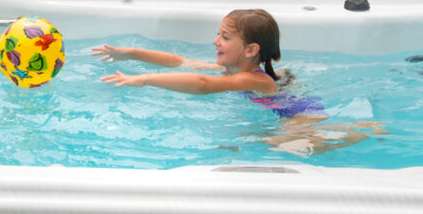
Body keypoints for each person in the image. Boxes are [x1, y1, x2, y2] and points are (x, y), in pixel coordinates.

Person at [92, 9, 381, 156]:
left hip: (302, 118)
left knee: (269, 146)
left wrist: (144, 80)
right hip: (285, 109)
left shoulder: (252, 80)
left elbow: (203, 84)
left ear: (251, 50)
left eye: (225, 38)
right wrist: (129, 54)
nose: (215, 41)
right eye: (218, 34)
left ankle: (358, 132)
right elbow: (177, 61)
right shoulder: (233, 69)